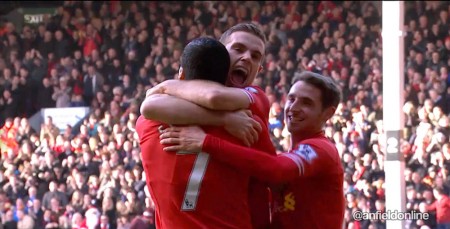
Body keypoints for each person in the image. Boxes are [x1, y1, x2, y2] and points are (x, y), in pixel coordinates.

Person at [159, 71, 346, 228]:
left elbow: (277, 170)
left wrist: (206, 142)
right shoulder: (293, 153)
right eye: (291, 98)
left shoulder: (322, 150)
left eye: (306, 103)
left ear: (328, 113)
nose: (293, 108)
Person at [143, 22, 276, 228]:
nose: (247, 57)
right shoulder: (247, 123)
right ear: (221, 54)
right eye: (239, 49)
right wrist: (222, 120)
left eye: (255, 56)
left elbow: (213, 97)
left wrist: (168, 86)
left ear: (258, 70)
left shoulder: (254, 107)